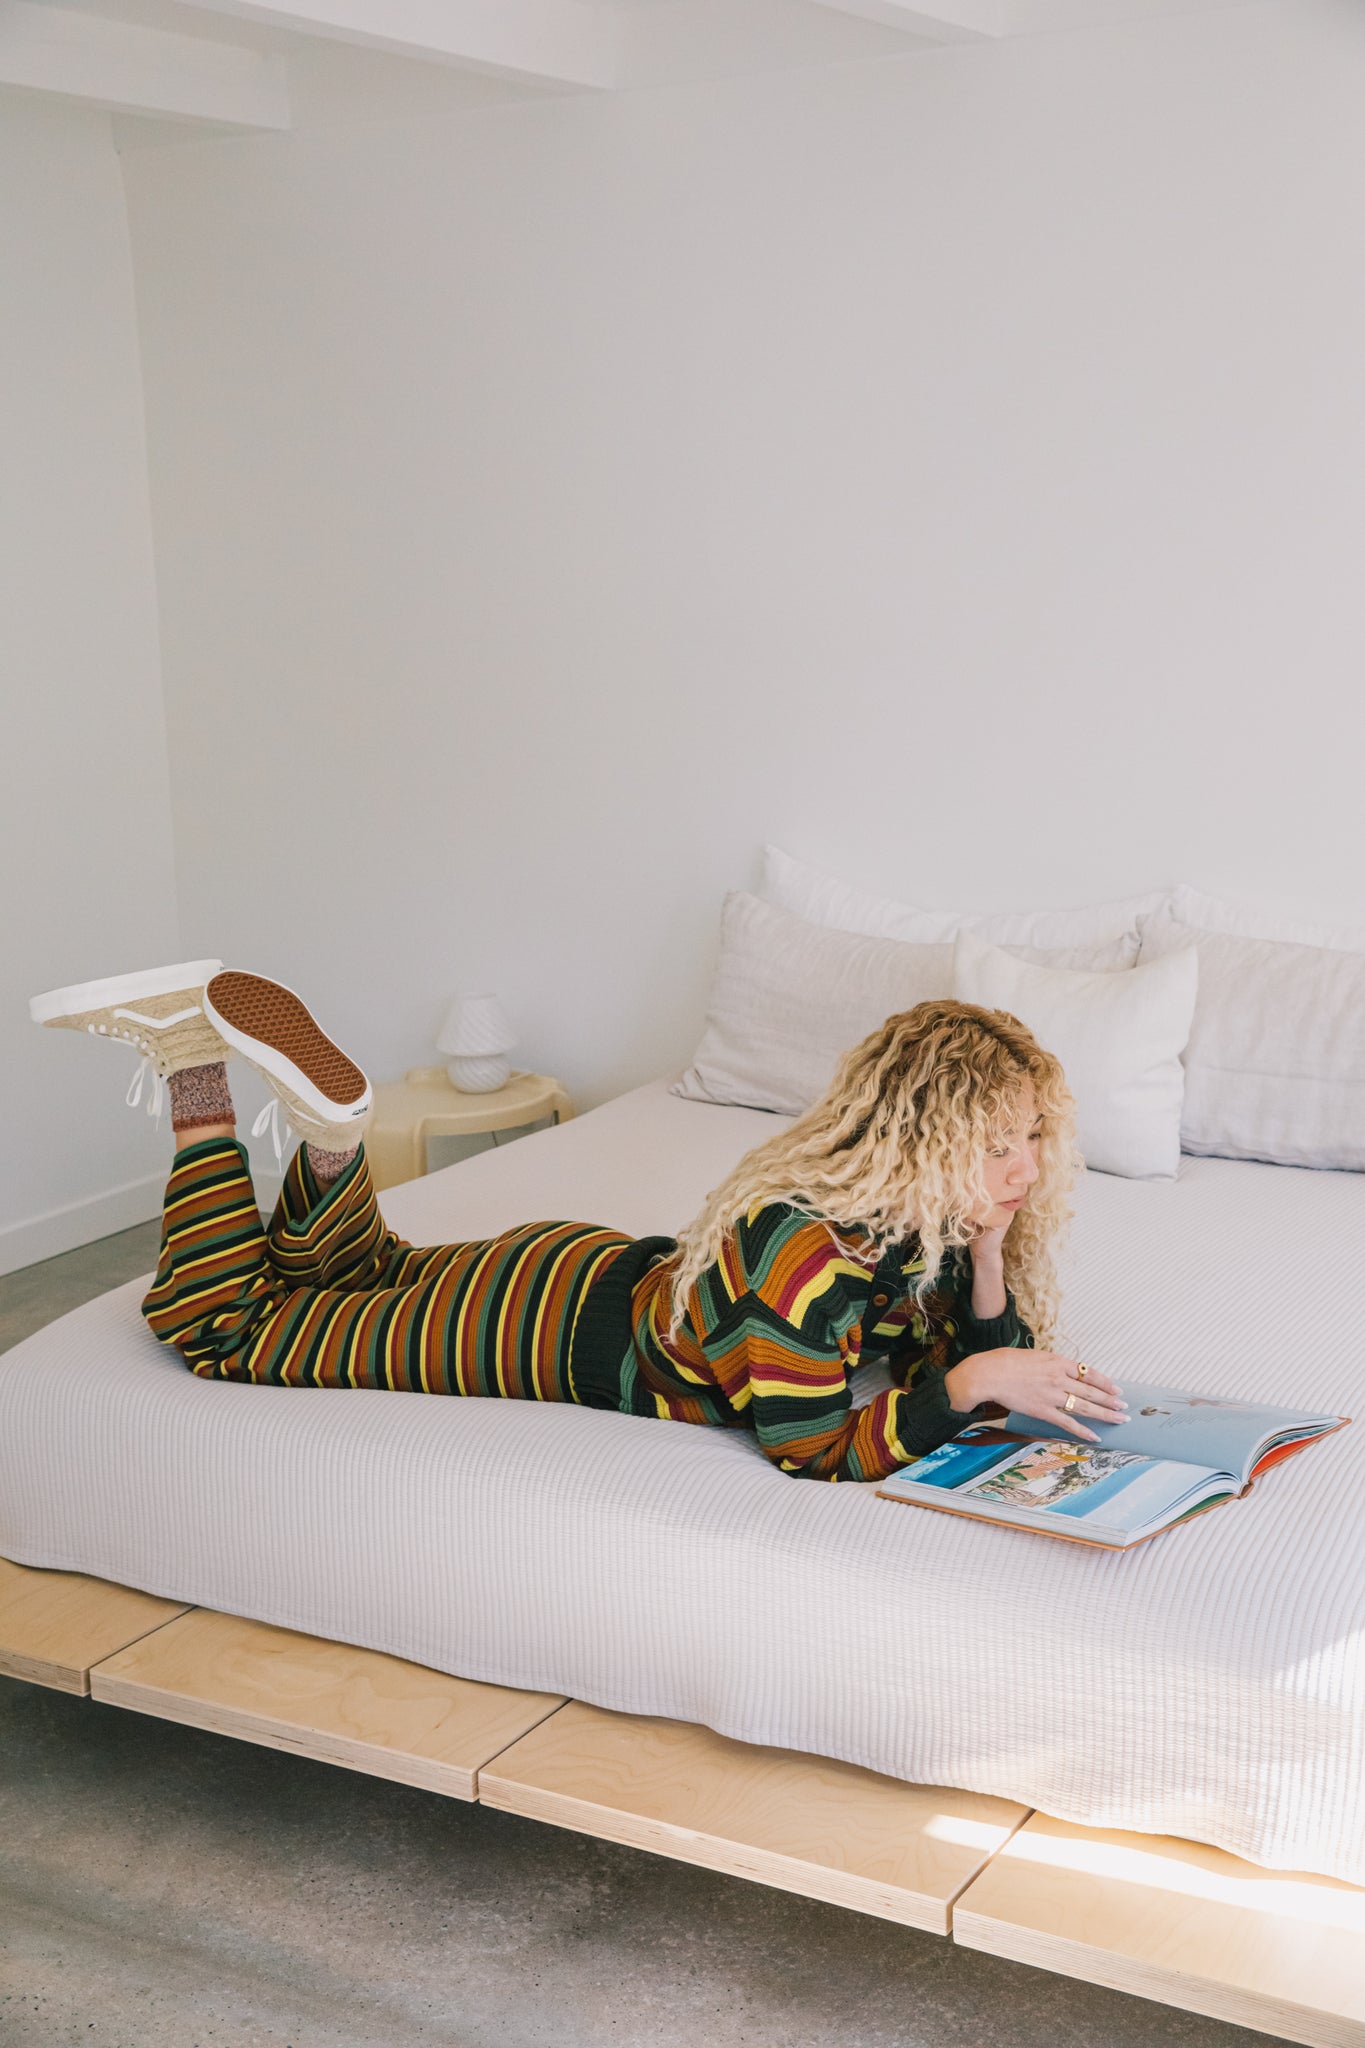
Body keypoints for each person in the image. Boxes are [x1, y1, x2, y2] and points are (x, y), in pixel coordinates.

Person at [30, 962, 1126, 1482]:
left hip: (573, 1273)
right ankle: (193, 1062)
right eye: (997, 1143)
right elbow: (811, 1447)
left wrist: (989, 1253)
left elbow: (972, 1349)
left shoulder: (918, 1222)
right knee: (226, 1324)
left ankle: (329, 1141)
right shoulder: (805, 1254)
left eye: (1033, 1136)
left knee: (354, 1272)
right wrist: (964, 1389)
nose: (1026, 1168)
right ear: (921, 1136)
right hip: (530, 1332)